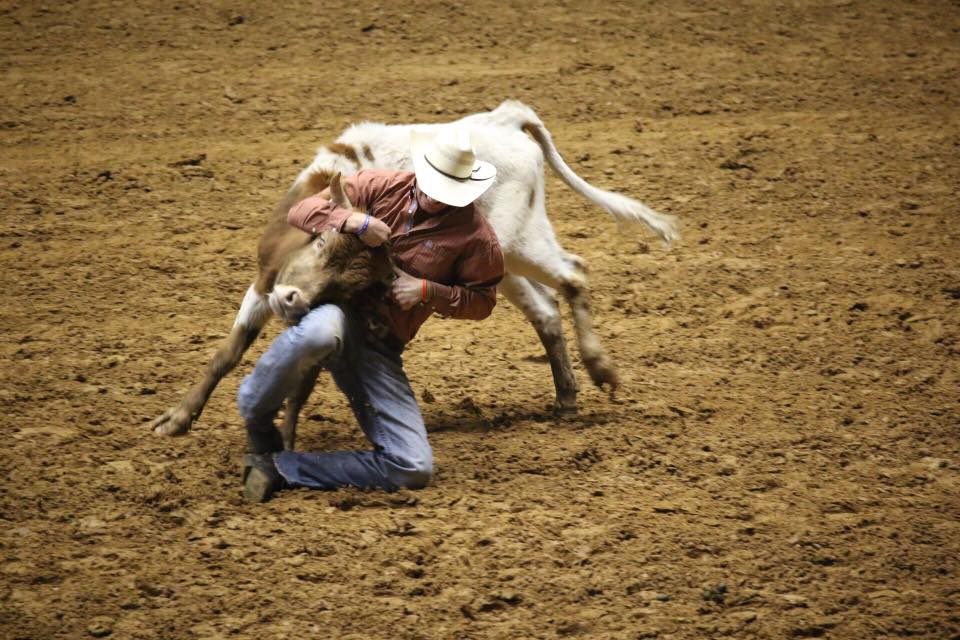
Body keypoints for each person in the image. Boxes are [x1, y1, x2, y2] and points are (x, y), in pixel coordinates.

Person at [237, 127, 504, 502]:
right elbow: (301, 211)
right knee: (318, 333)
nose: (432, 193)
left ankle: (279, 467)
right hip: (338, 312)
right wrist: (356, 222)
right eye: (430, 181)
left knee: (414, 467)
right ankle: (257, 417)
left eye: (444, 189)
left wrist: (429, 291)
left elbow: (483, 301)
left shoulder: (476, 237)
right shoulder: (380, 185)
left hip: (380, 345)